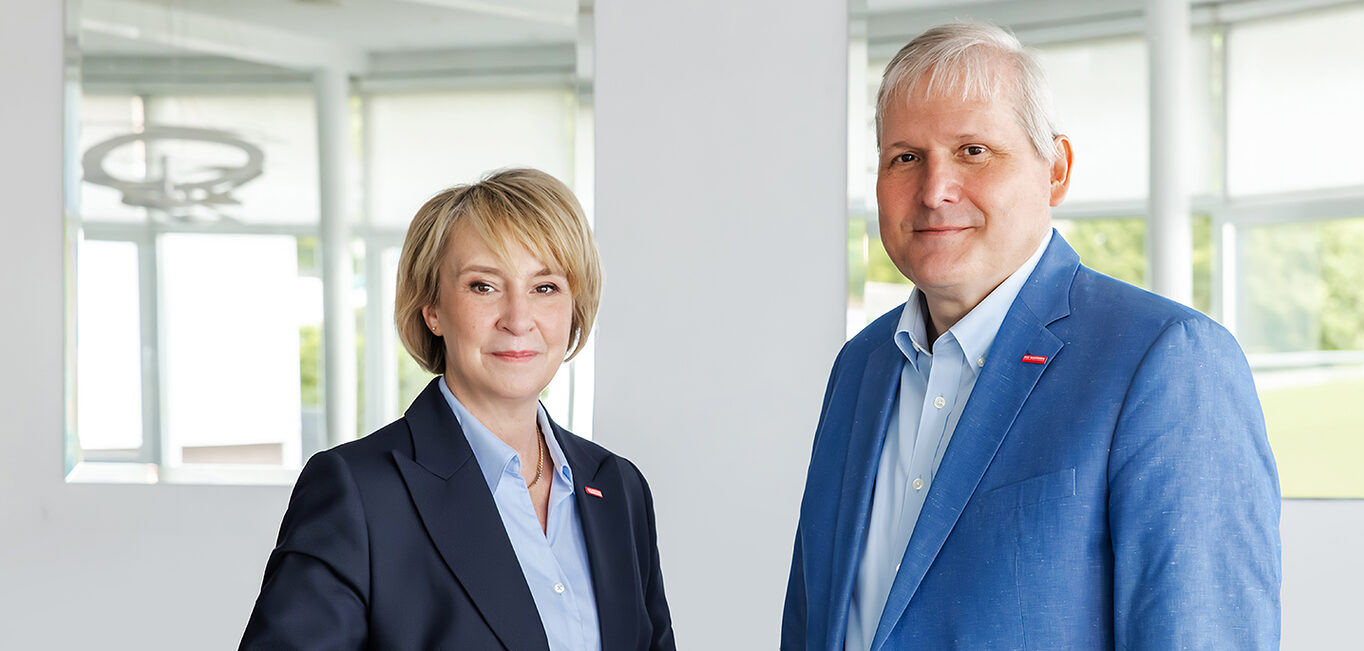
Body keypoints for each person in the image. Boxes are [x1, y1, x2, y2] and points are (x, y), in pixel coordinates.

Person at [782, 23, 1280, 650]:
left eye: (974, 151)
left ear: (1057, 170)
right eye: (905, 157)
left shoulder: (1168, 361)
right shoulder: (860, 368)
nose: (935, 191)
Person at [241, 168, 676, 651]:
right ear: (433, 308)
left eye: (545, 287)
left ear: (575, 306)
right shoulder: (358, 493)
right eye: (483, 286)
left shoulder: (619, 488)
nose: (518, 319)